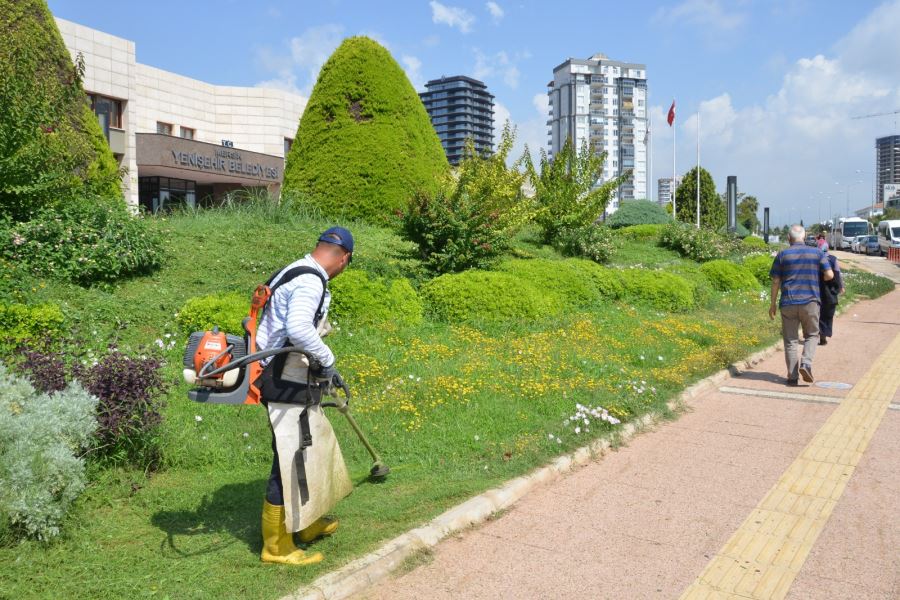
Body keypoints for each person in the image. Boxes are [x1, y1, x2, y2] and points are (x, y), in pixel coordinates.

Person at [254, 227, 355, 565]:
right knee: (288, 458)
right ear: (344, 260)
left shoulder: (298, 268)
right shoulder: (311, 281)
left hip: (292, 373)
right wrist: (327, 359)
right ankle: (276, 546)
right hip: (282, 377)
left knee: (308, 451)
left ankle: (305, 525)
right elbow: (298, 328)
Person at [769, 224, 834, 386]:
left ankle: (792, 377)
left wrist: (772, 304)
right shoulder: (818, 253)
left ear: (788, 238)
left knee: (790, 340)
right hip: (811, 302)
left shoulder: (782, 255)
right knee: (812, 335)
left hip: (788, 302)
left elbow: (776, 281)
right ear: (804, 238)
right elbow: (829, 274)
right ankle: (806, 363)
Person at [818, 247, 844, 345]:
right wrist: (841, 287)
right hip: (830, 291)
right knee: (828, 314)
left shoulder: (816, 259)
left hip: (818, 289)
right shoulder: (833, 259)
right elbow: (837, 274)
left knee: (818, 313)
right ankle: (823, 335)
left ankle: (820, 334)